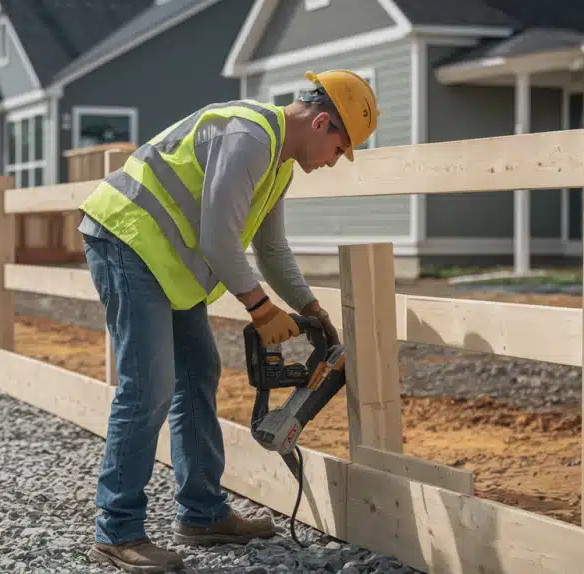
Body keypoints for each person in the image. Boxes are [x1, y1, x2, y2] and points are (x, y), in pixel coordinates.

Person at [78, 69, 379, 573]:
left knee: (198, 375)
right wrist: (262, 310)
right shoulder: (249, 137)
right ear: (323, 121)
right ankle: (117, 531)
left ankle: (202, 514)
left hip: (166, 262)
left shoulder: (278, 164)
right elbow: (219, 239)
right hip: (127, 241)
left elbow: (272, 249)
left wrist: (309, 309)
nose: (333, 162)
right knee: (147, 387)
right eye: (339, 149)